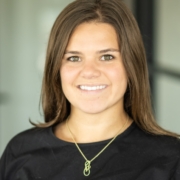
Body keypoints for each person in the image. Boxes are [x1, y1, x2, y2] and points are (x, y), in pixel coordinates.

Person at [0, 0, 180, 179]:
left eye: (107, 56)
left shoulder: (171, 159)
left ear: (131, 65)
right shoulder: (20, 151)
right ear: (56, 69)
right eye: (74, 58)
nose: (89, 72)